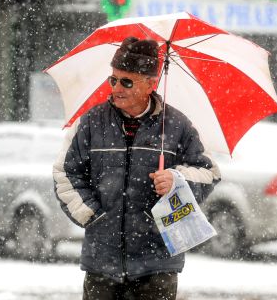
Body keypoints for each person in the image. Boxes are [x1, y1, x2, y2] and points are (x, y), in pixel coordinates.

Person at [53, 36, 220, 300]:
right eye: (113, 79)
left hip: (157, 263)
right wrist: (94, 217)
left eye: (126, 81)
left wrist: (177, 179)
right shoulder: (91, 123)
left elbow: (210, 172)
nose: (116, 87)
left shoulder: (177, 126)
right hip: (102, 264)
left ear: (150, 84)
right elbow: (65, 173)